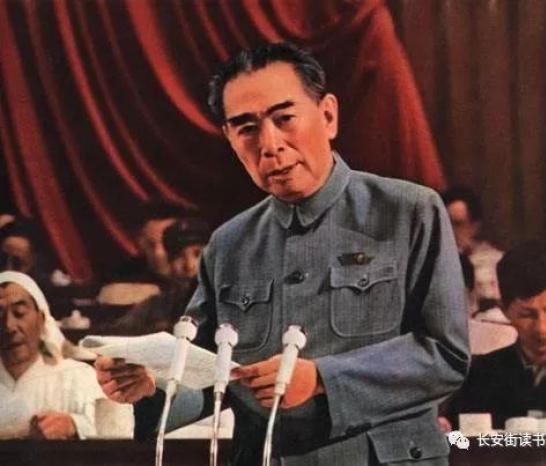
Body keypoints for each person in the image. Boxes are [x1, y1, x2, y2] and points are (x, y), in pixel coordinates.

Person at [95, 42, 469, 465]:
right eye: (247, 128)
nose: (270, 144)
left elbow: (445, 354)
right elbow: (210, 378)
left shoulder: (407, 212)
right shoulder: (229, 244)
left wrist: (323, 379)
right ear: (230, 139)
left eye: (284, 118)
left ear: (328, 115)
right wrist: (150, 387)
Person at [447, 241, 546, 428]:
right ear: (504, 310)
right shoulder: (482, 375)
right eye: (527, 315)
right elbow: (455, 435)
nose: (542, 329)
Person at [0, 271, 102, 439]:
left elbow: (113, 429)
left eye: (19, 313)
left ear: (41, 319)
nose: (9, 326)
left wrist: (74, 425)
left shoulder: (77, 377)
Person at [107, 216, 210, 336]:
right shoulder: (156, 306)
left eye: (198, 254)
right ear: (169, 262)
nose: (189, 265)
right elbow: (117, 333)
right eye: (178, 256)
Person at [441, 187, 503, 314]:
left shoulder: (497, 263)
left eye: (457, 224)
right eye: (445, 224)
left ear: (475, 226)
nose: (449, 231)